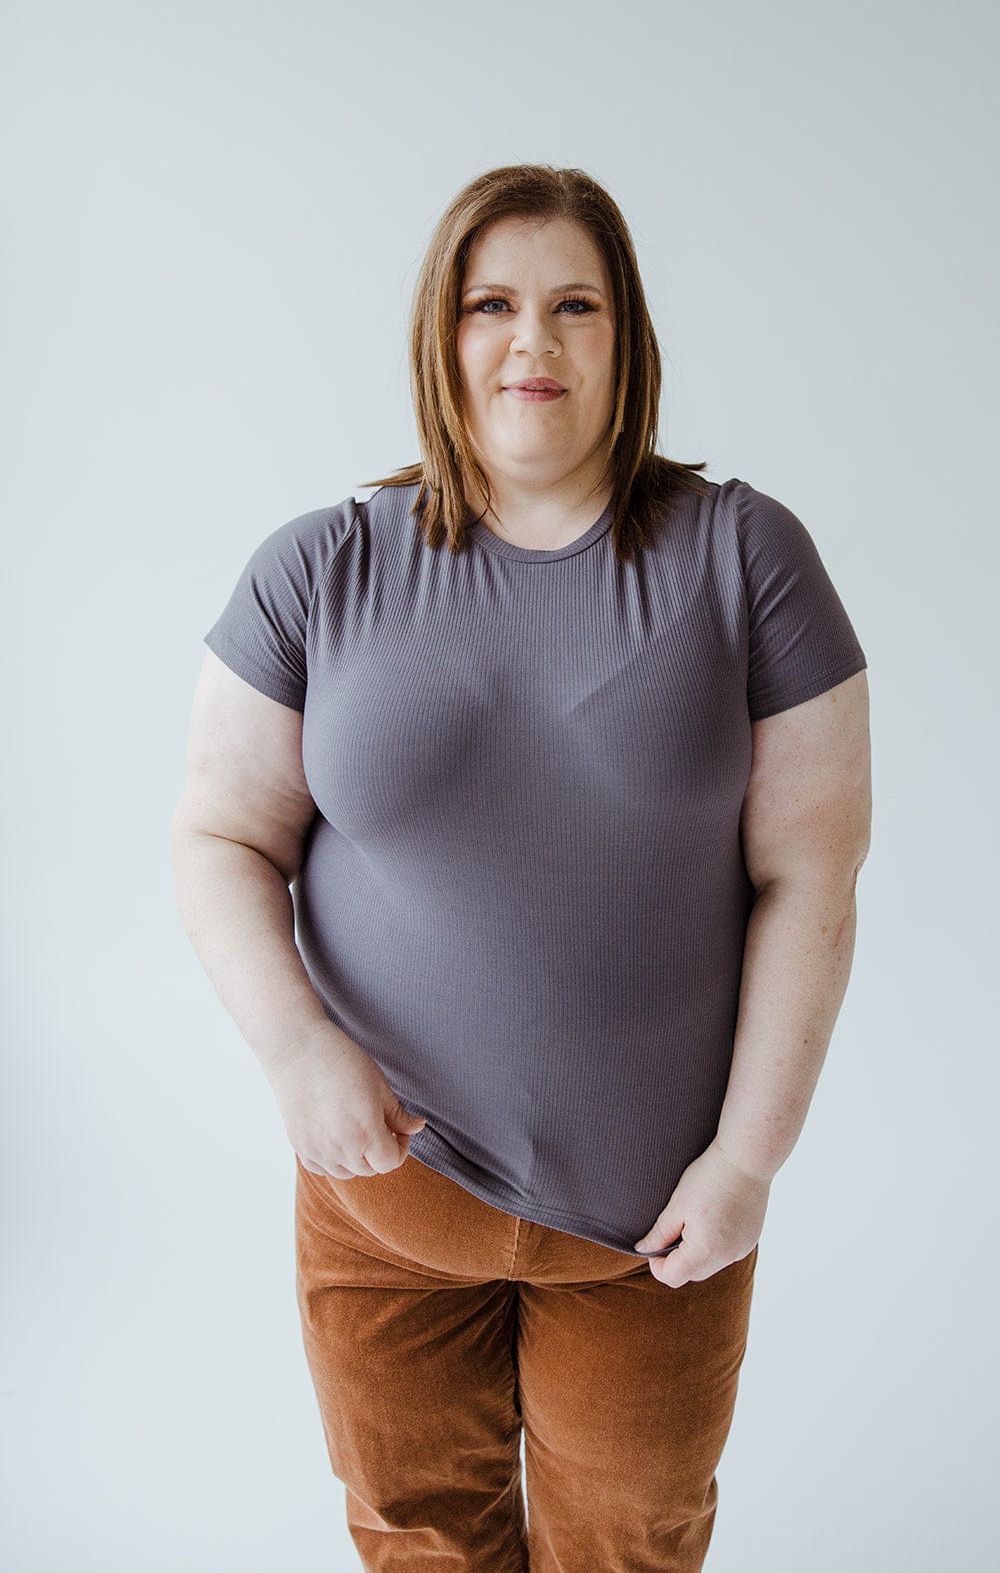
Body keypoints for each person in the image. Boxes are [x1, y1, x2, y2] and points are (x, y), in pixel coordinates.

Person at [171, 163, 871, 1571]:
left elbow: (813, 877)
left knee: (633, 1545)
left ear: (628, 337)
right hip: (385, 1205)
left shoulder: (746, 558)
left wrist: (750, 1158)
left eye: (575, 305)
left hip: (656, 1225)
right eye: (493, 303)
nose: (532, 342)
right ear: (444, 332)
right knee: (417, 1539)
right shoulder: (320, 567)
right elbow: (218, 836)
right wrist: (300, 1055)